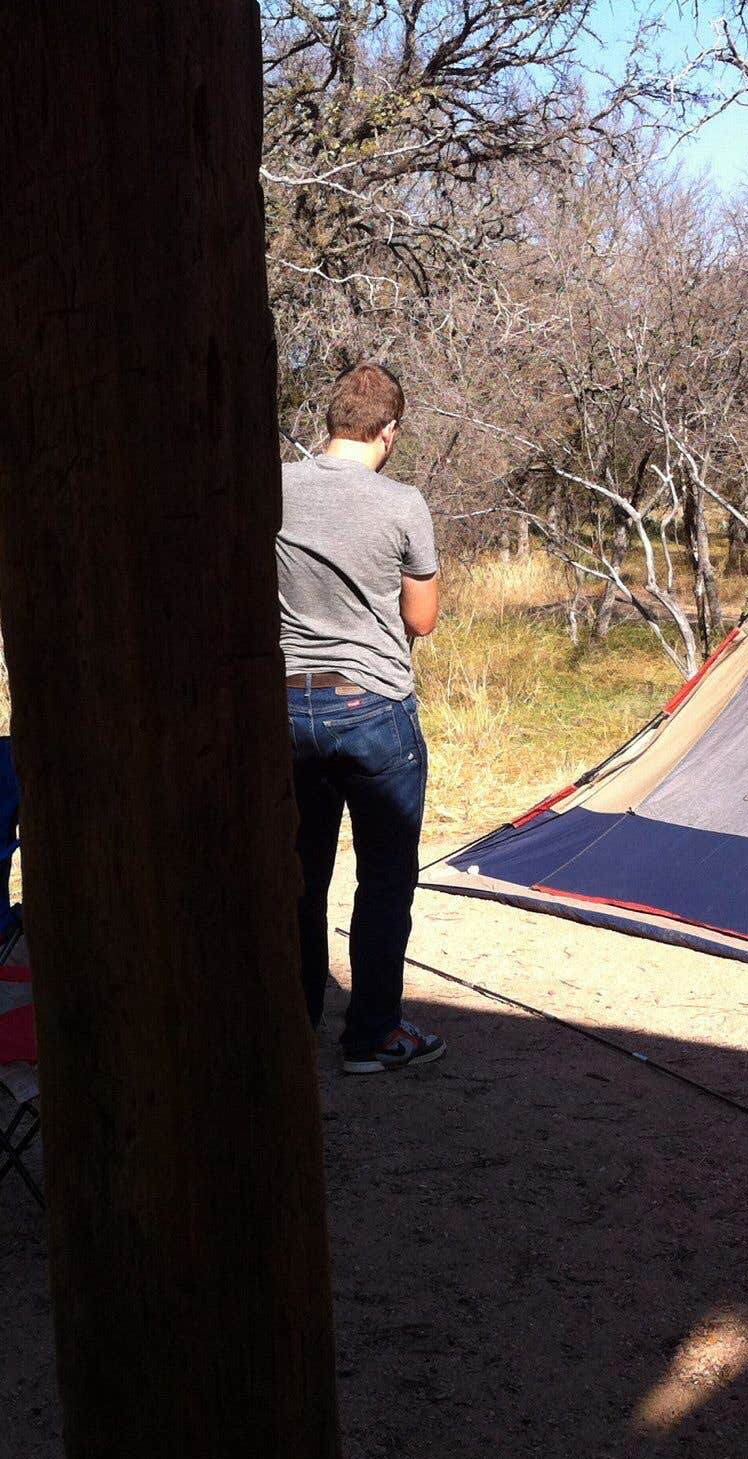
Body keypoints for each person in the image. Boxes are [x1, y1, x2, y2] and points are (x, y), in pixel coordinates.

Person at [279, 362, 447, 1074]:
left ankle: (293, 1026)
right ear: (390, 430)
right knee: (383, 878)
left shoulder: (274, 488)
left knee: (299, 875)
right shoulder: (402, 502)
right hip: (373, 704)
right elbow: (422, 619)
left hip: (287, 705)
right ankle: (373, 1035)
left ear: (330, 421)